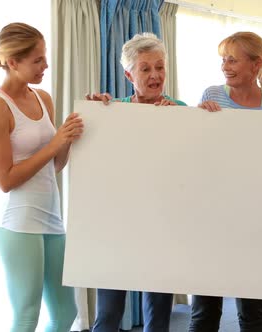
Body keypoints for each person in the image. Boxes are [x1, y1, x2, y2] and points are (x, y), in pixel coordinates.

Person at [0, 22, 82, 331]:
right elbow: (5, 180)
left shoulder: (43, 98)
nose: (46, 65)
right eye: (37, 60)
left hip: (52, 218)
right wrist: (54, 143)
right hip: (18, 221)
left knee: (65, 313)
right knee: (27, 315)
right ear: (12, 62)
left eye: (45, 57)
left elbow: (54, 166)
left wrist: (67, 137)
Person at [189, 31, 262, 332]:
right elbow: (198, 151)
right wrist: (200, 118)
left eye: (232, 60)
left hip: (254, 219)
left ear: (256, 65)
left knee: (254, 310)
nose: (225, 66)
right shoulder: (212, 96)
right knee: (204, 310)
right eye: (223, 60)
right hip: (212, 216)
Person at [89, 32, 185, 332]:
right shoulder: (111, 110)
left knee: (158, 317)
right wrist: (94, 112)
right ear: (129, 74)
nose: (155, 75)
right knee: (108, 316)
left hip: (162, 226)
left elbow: (190, 169)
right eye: (145, 69)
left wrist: (176, 124)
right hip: (118, 228)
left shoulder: (181, 112)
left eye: (160, 67)